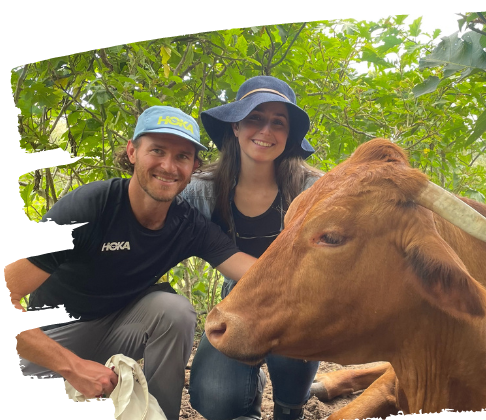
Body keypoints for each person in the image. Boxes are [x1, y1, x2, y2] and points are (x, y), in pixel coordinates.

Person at [5, 105, 256, 420]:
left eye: (182, 156)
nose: (168, 165)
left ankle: (161, 416)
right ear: (133, 151)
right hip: (51, 341)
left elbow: (253, 272)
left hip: (115, 332)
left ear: (193, 166)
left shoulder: (187, 224)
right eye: (157, 151)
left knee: (174, 311)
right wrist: (73, 366)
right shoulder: (89, 208)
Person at [181, 76, 322, 420]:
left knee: (294, 347)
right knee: (213, 396)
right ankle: (245, 399)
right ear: (235, 127)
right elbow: (157, 233)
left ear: (289, 136)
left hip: (301, 298)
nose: (265, 130)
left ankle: (290, 408)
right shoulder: (202, 191)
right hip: (240, 296)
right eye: (255, 118)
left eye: (278, 122)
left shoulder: (312, 189)